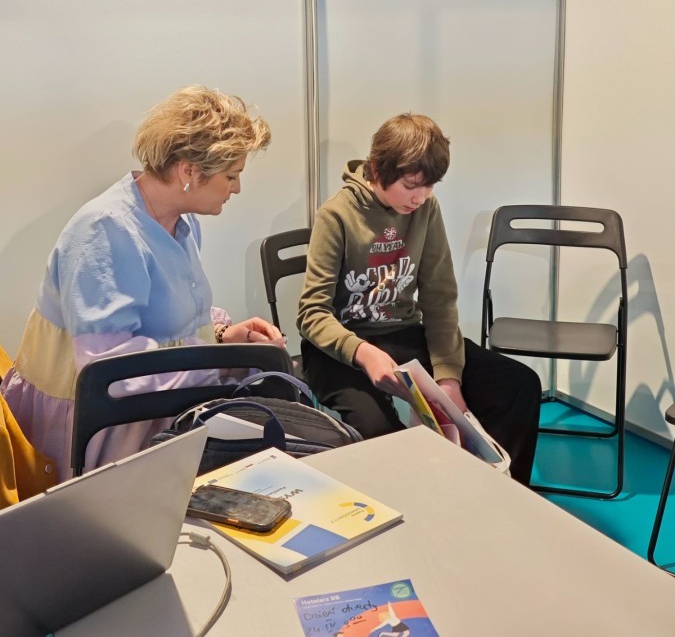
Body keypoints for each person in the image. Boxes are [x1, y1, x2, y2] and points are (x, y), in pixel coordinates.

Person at [1, 85, 286, 482]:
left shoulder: (181, 222)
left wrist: (223, 337)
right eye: (231, 175)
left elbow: (171, 318)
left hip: (154, 413)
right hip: (94, 434)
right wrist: (220, 365)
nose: (236, 188)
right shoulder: (104, 231)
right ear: (189, 172)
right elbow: (114, 372)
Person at [297, 113, 541, 485]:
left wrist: (448, 377)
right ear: (377, 169)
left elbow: (439, 296)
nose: (420, 196)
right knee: (381, 430)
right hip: (341, 349)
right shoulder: (336, 216)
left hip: (403, 333)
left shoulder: (426, 208)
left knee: (518, 385)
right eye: (411, 185)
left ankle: (499, 494)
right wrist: (364, 353)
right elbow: (312, 313)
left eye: (429, 185)